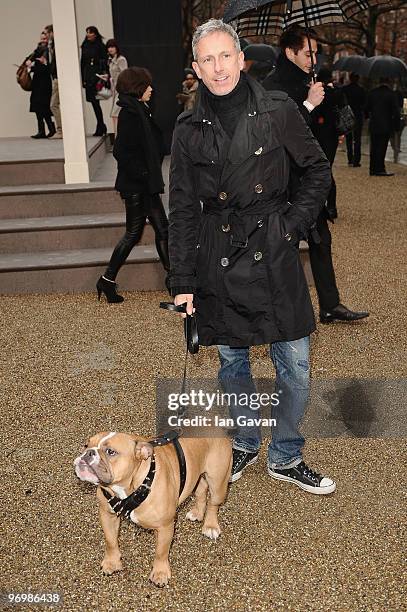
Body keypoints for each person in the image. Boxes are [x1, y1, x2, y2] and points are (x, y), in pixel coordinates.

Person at [168, 19, 336, 493]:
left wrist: (289, 226)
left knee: (296, 364)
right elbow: (180, 207)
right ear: (196, 69)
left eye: (226, 56)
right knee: (232, 364)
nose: (219, 68)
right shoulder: (186, 128)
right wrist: (182, 279)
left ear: (241, 59)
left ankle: (285, 453)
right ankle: (244, 440)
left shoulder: (278, 109)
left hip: (273, 248)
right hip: (217, 253)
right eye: (208, 60)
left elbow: (317, 172)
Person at [263, 25, 369, 324]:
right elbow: (279, 134)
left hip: (308, 182)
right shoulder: (273, 85)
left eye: (315, 53)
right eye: (308, 53)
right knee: (286, 245)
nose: (313, 59)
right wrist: (309, 103)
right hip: (283, 184)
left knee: (321, 240)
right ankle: (278, 311)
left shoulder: (309, 81)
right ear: (289, 52)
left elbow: (309, 131)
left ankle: (329, 305)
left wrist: (330, 123)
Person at [97, 67, 169, 303]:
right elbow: (120, 151)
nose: (151, 89)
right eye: (147, 85)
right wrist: (144, 173)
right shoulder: (130, 112)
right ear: (138, 87)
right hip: (137, 185)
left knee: (162, 230)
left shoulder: (139, 109)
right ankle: (106, 280)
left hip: (144, 184)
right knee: (133, 233)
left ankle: (174, 278)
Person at [311, 68, 346, 219]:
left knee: (319, 170)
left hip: (318, 134)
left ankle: (320, 205)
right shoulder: (337, 92)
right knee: (328, 168)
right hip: (332, 135)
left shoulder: (319, 92)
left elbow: (315, 112)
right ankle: (331, 205)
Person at [366, 77, 400, 177]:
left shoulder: (372, 93)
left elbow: (366, 107)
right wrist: (397, 126)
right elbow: (396, 111)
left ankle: (372, 168)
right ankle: (380, 168)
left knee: (374, 146)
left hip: (374, 123)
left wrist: (369, 116)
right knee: (382, 146)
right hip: (386, 124)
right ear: (388, 82)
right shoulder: (391, 94)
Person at [26, 33, 55, 139]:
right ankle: (41, 130)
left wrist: (33, 67)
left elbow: (47, 69)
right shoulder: (37, 50)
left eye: (45, 39)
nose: (43, 40)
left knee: (44, 108)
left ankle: (51, 129)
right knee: (38, 108)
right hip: (37, 83)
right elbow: (28, 59)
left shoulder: (48, 51)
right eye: (42, 38)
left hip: (44, 83)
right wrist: (29, 63)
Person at [80, 26, 108, 136]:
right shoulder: (85, 45)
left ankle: (100, 125)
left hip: (97, 75)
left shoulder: (100, 46)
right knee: (93, 101)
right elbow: (82, 62)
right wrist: (82, 78)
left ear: (95, 34)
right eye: (87, 33)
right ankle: (101, 125)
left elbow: (104, 61)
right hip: (88, 75)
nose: (88, 35)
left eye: (90, 33)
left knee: (96, 101)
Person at [343, 72, 366, 167]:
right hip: (358, 115)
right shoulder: (361, 90)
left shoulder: (345, 89)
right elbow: (364, 104)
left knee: (349, 138)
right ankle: (357, 160)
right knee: (357, 139)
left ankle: (350, 159)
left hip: (348, 115)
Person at [43, 24, 62, 139]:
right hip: (55, 77)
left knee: (53, 104)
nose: (47, 36)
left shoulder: (56, 44)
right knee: (55, 104)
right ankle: (61, 130)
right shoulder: (52, 45)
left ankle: (60, 130)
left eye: (47, 33)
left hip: (58, 78)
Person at [106, 38, 128, 135]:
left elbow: (125, 74)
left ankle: (117, 137)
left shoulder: (121, 59)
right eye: (109, 47)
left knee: (115, 114)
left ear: (116, 48)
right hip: (115, 89)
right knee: (115, 114)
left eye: (112, 47)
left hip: (121, 90)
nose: (110, 49)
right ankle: (117, 136)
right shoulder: (110, 60)